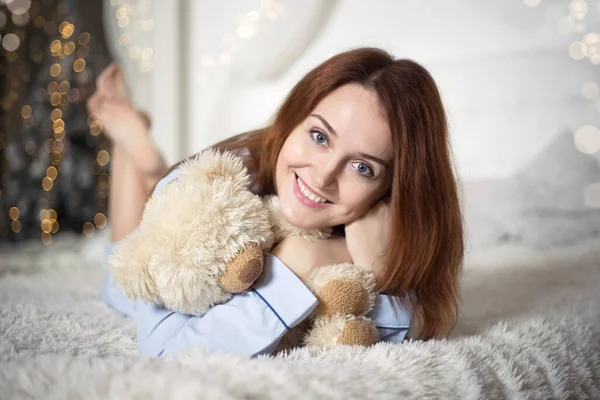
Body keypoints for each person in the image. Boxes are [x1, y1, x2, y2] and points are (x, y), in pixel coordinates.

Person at [90, 47, 464, 358]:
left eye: (362, 167)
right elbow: (167, 355)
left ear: (390, 188)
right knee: (118, 255)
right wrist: (296, 263)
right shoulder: (211, 190)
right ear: (293, 121)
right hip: (162, 224)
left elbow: (429, 318)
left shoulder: (387, 224)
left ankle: (145, 160)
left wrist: (377, 269)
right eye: (319, 136)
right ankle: (140, 155)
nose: (322, 175)